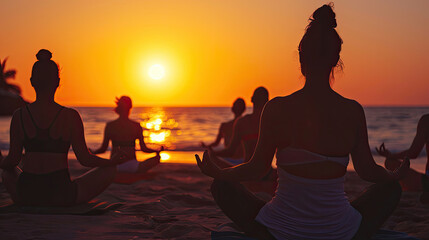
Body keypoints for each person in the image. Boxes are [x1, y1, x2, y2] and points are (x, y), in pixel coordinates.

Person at [196, 4, 409, 240]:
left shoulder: (276, 108)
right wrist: (394, 176)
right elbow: (367, 171)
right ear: (336, 59)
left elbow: (258, 168)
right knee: (390, 190)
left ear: (300, 57)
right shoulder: (353, 110)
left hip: (279, 229)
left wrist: (218, 171)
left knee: (221, 186)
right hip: (341, 230)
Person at [0, 49, 127, 207]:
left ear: (32, 81)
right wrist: (111, 162)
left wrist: (1, 161)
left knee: (7, 172)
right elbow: (85, 159)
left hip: (28, 192)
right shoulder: (70, 116)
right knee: (110, 170)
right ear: (58, 82)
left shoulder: (19, 115)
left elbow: (12, 160)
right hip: (61, 194)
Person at [90, 96, 163, 173]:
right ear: (130, 107)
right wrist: (157, 151)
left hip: (114, 166)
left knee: (102, 164)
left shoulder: (110, 125)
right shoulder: (136, 126)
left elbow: (103, 149)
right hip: (133, 166)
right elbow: (143, 149)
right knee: (157, 159)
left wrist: (92, 153)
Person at [377, 114, 429, 202]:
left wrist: (391, 156)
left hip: (427, 182)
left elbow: (413, 153)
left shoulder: (426, 120)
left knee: (390, 162)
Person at [201, 98, 246, 164]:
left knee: (212, 158)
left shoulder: (224, 126)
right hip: (243, 161)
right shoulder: (247, 124)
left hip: (229, 160)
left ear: (232, 109)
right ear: (244, 109)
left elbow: (216, 143)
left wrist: (207, 147)